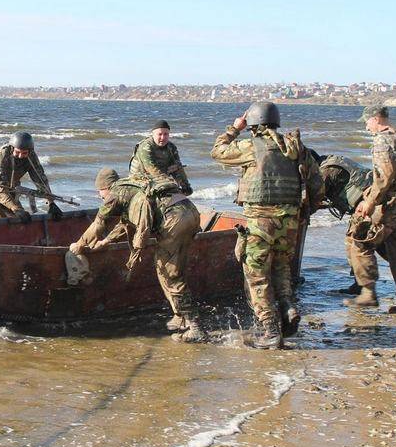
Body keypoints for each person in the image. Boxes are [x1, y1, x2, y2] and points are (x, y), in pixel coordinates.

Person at [211, 101, 323, 349]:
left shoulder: (252, 145)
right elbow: (317, 183)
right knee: (282, 266)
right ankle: (288, 308)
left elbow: (218, 151)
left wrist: (234, 128)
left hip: (260, 221)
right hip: (289, 221)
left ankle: (270, 330)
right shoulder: (295, 147)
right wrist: (305, 211)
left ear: (253, 124)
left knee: (257, 276)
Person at [69, 168, 205, 342]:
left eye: (100, 193)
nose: (100, 197)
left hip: (174, 220)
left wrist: (79, 244)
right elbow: (126, 223)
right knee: (175, 269)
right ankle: (180, 316)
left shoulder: (114, 194)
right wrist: (104, 242)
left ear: (105, 188)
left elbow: (98, 224)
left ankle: (194, 327)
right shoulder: (132, 187)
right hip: (190, 213)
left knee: (169, 273)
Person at [343, 105, 396, 313]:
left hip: (389, 203)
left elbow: (384, 176)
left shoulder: (383, 140)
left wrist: (369, 202)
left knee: (358, 240)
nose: (367, 126)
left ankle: (368, 293)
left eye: (367, 122)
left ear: (376, 119)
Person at [316, 153, 374, 295]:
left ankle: (362, 287)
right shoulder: (334, 162)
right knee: (385, 244)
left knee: (353, 244)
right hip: (374, 202)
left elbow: (316, 196)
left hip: (365, 206)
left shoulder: (326, 170)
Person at [0, 131, 62, 221]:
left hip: (9, 188)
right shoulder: (0, 158)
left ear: (30, 151)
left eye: (24, 153)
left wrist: (51, 202)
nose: (20, 156)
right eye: (17, 152)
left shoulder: (31, 157)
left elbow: (40, 179)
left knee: (20, 219)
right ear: (12, 148)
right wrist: (15, 208)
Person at [129, 119, 193, 195]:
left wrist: (185, 185)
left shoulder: (171, 147)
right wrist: (170, 184)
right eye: (160, 134)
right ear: (153, 134)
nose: (163, 138)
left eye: (165, 134)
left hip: (162, 178)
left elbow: (177, 167)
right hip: (140, 179)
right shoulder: (146, 147)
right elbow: (152, 169)